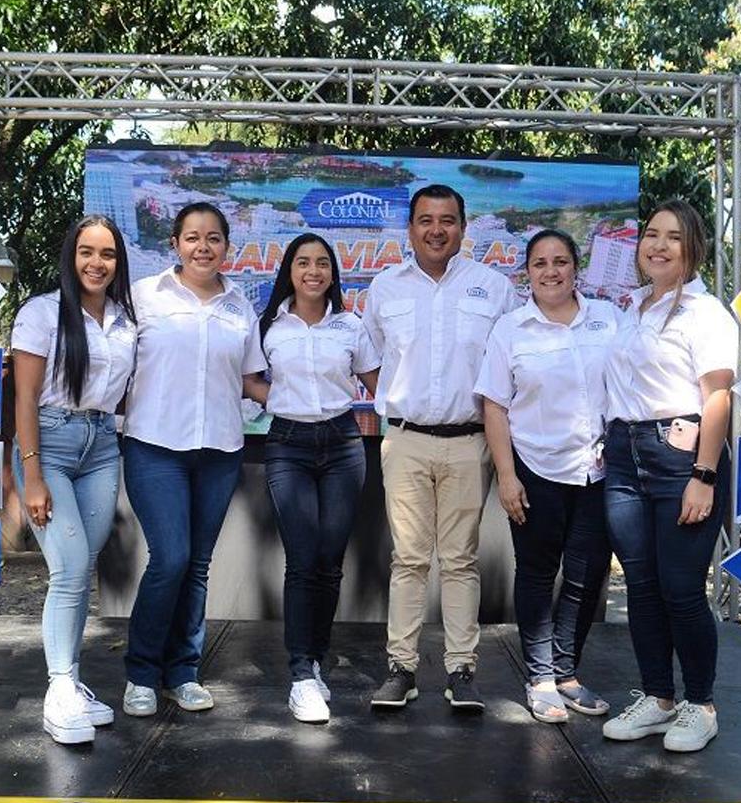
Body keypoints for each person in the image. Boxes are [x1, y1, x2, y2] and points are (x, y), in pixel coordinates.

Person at [362, 184, 521, 711]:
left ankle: (462, 670)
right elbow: (369, 358)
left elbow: (511, 365)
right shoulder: (385, 287)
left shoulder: (493, 288)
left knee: (459, 561)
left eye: (447, 220)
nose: (436, 230)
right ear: (409, 229)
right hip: (404, 440)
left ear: (463, 227)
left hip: (467, 442)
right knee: (407, 559)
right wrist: (395, 397)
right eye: (425, 220)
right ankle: (400, 669)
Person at [600, 199, 737, 753]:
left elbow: (719, 398)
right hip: (624, 456)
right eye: (651, 234)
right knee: (641, 587)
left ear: (693, 247)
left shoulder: (706, 314)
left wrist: (703, 474)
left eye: (673, 237)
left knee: (682, 589)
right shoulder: (631, 307)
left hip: (682, 459)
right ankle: (657, 699)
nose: (658, 245)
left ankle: (700, 705)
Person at [121, 202, 267, 718]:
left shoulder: (239, 306)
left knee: (198, 567)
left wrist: (315, 395)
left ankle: (183, 671)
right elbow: (113, 361)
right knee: (172, 558)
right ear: (175, 245)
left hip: (220, 451)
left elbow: (252, 380)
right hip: (154, 446)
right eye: (192, 238)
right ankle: (141, 672)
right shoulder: (143, 297)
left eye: (213, 238)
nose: (202, 247)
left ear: (228, 246)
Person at [475, 229, 615, 723]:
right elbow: (494, 406)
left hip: (598, 471)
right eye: (539, 263)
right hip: (535, 469)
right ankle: (540, 678)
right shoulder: (511, 329)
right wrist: (507, 477)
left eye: (560, 261)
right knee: (536, 574)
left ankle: (567, 673)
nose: (551, 271)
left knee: (586, 575)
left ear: (576, 267)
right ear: (526, 273)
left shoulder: (609, 320)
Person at [12, 214, 137, 745]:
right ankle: (58, 687)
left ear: (118, 262)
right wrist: (33, 475)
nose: (96, 263)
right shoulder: (42, 313)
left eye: (107, 254)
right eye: (87, 252)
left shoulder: (126, 321)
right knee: (69, 567)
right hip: (50, 443)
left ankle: (73, 682)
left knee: (82, 566)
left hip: (103, 445)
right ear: (71, 256)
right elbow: (24, 399)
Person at [256, 233, 381, 723]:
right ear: (289, 270)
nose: (313, 271)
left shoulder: (350, 326)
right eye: (304, 262)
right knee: (303, 557)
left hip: (343, 444)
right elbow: (249, 378)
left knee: (330, 561)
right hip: (288, 445)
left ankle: (317, 660)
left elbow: (378, 383)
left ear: (333, 273)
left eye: (323, 264)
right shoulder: (268, 324)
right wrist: (282, 400)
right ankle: (300, 673)